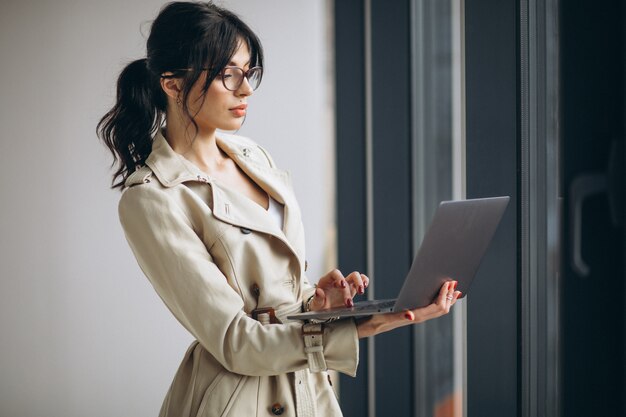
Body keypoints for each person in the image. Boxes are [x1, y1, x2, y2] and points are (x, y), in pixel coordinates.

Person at [97, 2, 461, 416]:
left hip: (306, 387)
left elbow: (279, 295)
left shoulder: (253, 156)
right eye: (226, 74)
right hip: (238, 400)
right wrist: (372, 323)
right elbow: (236, 341)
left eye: (248, 72)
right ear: (173, 84)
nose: (246, 89)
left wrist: (316, 304)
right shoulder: (152, 197)